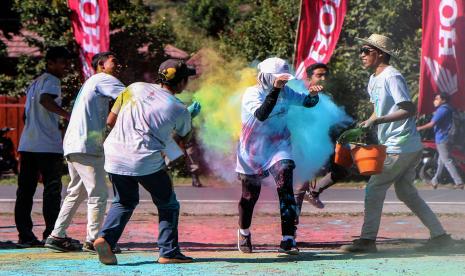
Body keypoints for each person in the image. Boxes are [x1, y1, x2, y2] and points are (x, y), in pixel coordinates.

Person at [340, 34, 452, 253]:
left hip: (401, 145)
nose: (361, 55)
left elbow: (408, 108)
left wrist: (378, 120)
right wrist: (368, 122)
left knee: (374, 187)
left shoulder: (392, 76)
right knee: (406, 193)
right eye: (361, 50)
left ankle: (367, 240)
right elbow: (379, 108)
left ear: (380, 53)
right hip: (404, 145)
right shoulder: (373, 79)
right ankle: (440, 236)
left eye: (366, 50)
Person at [93, 59, 195, 265]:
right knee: (167, 203)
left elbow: (110, 121)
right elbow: (183, 139)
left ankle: (105, 239)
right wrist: (190, 116)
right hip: (144, 158)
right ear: (182, 82)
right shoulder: (179, 108)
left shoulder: (134, 87)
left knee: (124, 201)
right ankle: (169, 252)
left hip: (114, 153)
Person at [236, 57, 321, 255]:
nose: (283, 84)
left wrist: (314, 95)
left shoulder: (286, 91)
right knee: (249, 196)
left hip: (278, 145)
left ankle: (288, 239)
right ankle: (244, 231)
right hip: (253, 150)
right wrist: (275, 90)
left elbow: (307, 102)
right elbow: (261, 114)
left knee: (285, 184)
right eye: (278, 80)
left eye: (284, 80)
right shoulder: (252, 93)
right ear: (265, 77)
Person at [44, 52, 125, 252]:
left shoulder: (92, 82)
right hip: (86, 146)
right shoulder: (104, 79)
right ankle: (94, 240)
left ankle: (56, 235)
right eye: (114, 61)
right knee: (98, 194)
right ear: (101, 65)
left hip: (74, 144)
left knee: (76, 192)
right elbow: (131, 96)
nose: (118, 64)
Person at [15, 46, 71, 247]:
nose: (66, 67)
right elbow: (45, 100)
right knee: (52, 191)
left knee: (25, 191)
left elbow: (26, 114)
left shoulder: (35, 82)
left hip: (28, 144)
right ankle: (52, 233)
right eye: (62, 63)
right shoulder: (52, 81)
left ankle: (25, 236)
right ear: (50, 63)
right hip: (47, 146)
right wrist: (67, 115)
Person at [293, 63, 351, 212]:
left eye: (326, 75)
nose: (324, 78)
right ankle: (291, 225)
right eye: (319, 75)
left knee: (342, 169)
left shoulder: (328, 95)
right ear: (309, 77)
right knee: (300, 184)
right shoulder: (301, 93)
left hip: (326, 141)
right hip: (305, 144)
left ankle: (314, 192)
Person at [417, 93, 464, 189]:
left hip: (443, 138)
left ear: (443, 100)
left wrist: (418, 128)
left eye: (437, 99)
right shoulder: (451, 109)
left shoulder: (442, 110)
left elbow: (432, 124)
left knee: (447, 160)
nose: (435, 100)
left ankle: (458, 182)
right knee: (441, 161)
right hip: (451, 138)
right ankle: (435, 180)